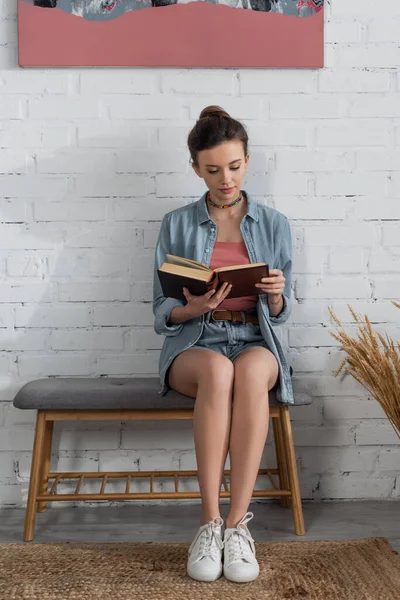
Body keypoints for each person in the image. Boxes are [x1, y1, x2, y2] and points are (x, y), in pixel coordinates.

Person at [152, 105, 293, 584]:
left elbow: (284, 310)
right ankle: (209, 524)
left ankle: (237, 529)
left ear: (247, 160)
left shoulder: (274, 223)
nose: (225, 179)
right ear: (196, 169)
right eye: (212, 170)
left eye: (233, 167)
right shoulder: (177, 223)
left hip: (255, 336)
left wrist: (274, 297)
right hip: (197, 339)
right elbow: (160, 310)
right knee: (218, 371)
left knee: (250, 371)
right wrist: (191, 308)